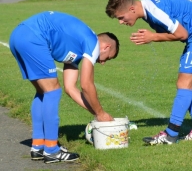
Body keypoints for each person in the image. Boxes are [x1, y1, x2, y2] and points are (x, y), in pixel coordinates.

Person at [105, 0, 192, 145]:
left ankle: (170, 134)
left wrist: (152, 37)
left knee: (183, 83)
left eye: (121, 17)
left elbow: (182, 34)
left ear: (132, 9)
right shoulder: (148, 7)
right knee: (187, 82)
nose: (120, 22)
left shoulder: (153, 10)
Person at [9, 11, 120, 164]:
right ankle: (52, 150)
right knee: (52, 91)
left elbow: (71, 88)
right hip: (34, 37)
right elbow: (86, 84)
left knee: (43, 92)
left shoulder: (79, 48)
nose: (103, 62)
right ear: (107, 47)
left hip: (18, 36)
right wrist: (100, 113)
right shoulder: (92, 43)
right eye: (108, 57)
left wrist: (98, 113)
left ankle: (38, 146)